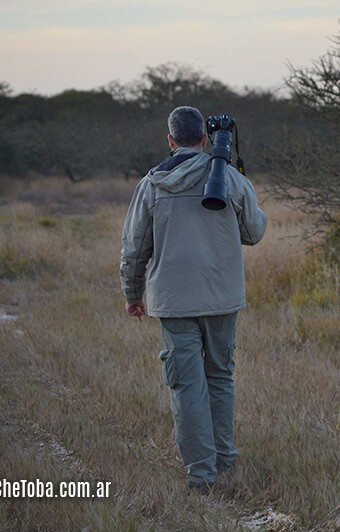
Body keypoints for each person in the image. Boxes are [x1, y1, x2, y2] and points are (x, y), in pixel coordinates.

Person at [120, 106, 267, 492]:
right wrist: (243, 186)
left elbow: (134, 248)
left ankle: (201, 477)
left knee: (186, 387)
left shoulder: (151, 184)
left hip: (174, 302)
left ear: (170, 141)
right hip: (222, 298)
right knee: (220, 378)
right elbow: (254, 233)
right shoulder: (230, 179)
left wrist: (133, 294)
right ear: (204, 140)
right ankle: (225, 464)